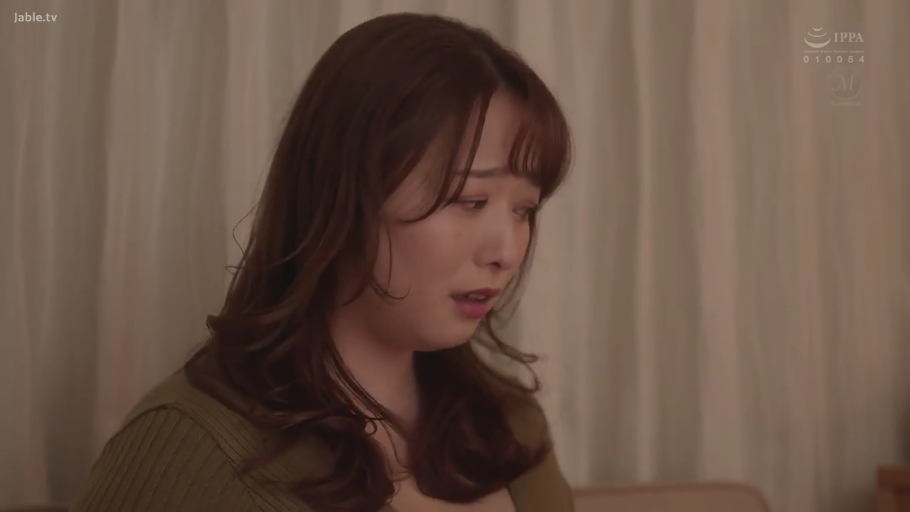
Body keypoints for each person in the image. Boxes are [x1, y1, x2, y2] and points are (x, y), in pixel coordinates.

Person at [71, 11, 573, 512]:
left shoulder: (509, 426)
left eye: (524, 210)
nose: (507, 252)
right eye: (470, 200)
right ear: (346, 192)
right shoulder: (187, 451)